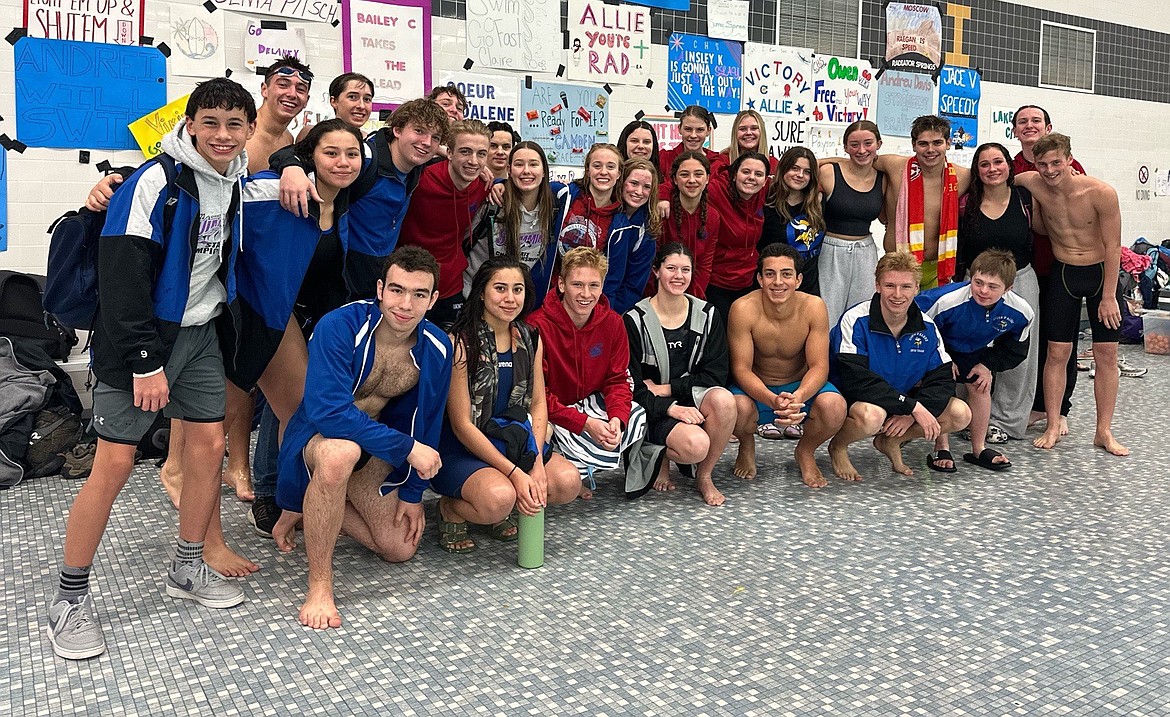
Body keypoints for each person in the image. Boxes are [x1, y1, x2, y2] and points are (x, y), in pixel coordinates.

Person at [46, 79, 257, 660]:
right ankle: (69, 598)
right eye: (209, 121)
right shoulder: (153, 181)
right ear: (188, 125)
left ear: (247, 131)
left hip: (198, 335)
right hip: (135, 343)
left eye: (234, 124)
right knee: (114, 463)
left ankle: (188, 566)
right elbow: (121, 279)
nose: (221, 134)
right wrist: (143, 362)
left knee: (208, 447)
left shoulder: (234, 180)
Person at [84, 56, 315, 507]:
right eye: (283, 83)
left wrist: (292, 161)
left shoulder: (294, 141)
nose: (291, 92)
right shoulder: (210, 146)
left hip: (243, 285)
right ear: (264, 89)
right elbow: (171, 179)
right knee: (207, 394)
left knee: (236, 383)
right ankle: (178, 469)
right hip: (199, 296)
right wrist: (105, 190)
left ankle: (236, 469)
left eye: (301, 87)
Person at [271, 247, 451, 629]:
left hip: (374, 448)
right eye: (398, 290)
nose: (406, 304)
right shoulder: (340, 325)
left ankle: (313, 507)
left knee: (399, 548)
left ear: (434, 299)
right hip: (319, 439)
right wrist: (408, 449)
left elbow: (429, 422)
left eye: (419, 294)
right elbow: (328, 413)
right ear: (380, 289)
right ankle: (320, 585)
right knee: (340, 454)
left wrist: (414, 493)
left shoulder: (437, 347)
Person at [233, 119, 362, 538]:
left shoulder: (341, 200)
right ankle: (279, 500)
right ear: (310, 157)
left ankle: (296, 499)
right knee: (295, 411)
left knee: (300, 412)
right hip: (264, 310)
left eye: (352, 154)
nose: (343, 163)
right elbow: (216, 203)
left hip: (310, 317)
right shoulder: (280, 191)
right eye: (331, 153)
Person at [432, 258, 580, 552]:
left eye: (518, 289)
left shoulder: (529, 337)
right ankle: (452, 507)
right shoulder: (460, 342)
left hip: (510, 438)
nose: (510, 298)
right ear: (482, 292)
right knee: (499, 499)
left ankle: (503, 498)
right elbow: (461, 425)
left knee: (566, 483)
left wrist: (535, 461)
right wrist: (515, 473)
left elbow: (538, 403)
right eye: (500, 288)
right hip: (465, 447)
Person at [1012, 134, 1127, 456]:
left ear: (1069, 160)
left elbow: (1114, 246)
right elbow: (998, 177)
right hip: (1064, 274)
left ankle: (1103, 431)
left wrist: (1108, 297)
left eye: (1056, 163)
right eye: (1043, 164)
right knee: (1058, 353)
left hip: (1100, 273)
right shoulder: (1032, 182)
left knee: (1106, 356)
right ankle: (1052, 424)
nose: (1049, 171)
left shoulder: (1100, 193)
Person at [273, 98, 449, 298]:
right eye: (419, 131)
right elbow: (294, 152)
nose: (426, 142)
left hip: (378, 274)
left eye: (435, 137)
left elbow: (461, 160)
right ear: (397, 130)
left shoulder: (416, 164)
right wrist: (291, 167)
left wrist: (491, 178)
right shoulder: (365, 157)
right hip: (341, 275)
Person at [828, 252, 971, 480]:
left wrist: (911, 412)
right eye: (889, 285)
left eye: (906, 287)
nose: (897, 295)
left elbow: (943, 380)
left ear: (916, 288)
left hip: (902, 402)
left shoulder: (927, 326)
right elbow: (856, 380)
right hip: (858, 400)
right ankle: (838, 446)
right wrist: (912, 407)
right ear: (877, 285)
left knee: (960, 414)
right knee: (871, 416)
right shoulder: (855, 320)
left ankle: (892, 440)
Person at [527, 247, 653, 498]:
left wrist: (616, 418)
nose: (586, 294)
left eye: (594, 285)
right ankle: (565, 465)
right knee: (537, 427)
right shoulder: (536, 326)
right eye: (577, 284)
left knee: (635, 413)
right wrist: (585, 424)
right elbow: (536, 397)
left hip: (587, 403)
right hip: (549, 410)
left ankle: (583, 467)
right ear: (561, 284)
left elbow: (618, 380)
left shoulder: (613, 323)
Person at [625, 243, 736, 505]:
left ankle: (705, 476)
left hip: (690, 397)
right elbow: (633, 385)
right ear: (656, 271)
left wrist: (670, 388)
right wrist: (669, 407)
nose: (678, 276)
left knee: (725, 401)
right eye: (671, 268)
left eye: (685, 270)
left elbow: (716, 375)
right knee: (695, 446)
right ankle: (660, 453)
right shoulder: (634, 320)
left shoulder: (707, 315)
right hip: (651, 407)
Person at [728, 244, 846, 488]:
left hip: (800, 388)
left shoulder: (814, 307)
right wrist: (772, 400)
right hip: (757, 390)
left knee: (835, 407)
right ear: (759, 278)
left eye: (786, 274)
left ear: (799, 279)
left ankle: (805, 451)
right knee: (734, 408)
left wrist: (798, 397)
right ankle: (746, 444)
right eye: (770, 274)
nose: (778, 282)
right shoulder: (743, 309)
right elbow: (741, 369)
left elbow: (819, 366)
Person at [915, 250, 1034, 471]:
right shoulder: (944, 300)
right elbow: (918, 330)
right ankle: (941, 446)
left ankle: (978, 448)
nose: (983, 291)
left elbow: (1015, 349)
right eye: (978, 283)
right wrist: (940, 361)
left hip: (974, 351)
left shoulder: (1021, 312)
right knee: (944, 381)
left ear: (1008, 289)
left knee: (980, 385)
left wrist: (988, 365)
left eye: (992, 286)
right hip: (938, 346)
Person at [1011, 105, 1086, 435]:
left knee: (1060, 341)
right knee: (1026, 339)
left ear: (1048, 127)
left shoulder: (1070, 167)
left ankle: (1057, 407)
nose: (1029, 126)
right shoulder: (1010, 166)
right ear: (1014, 130)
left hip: (1060, 266)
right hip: (1021, 268)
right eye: (1022, 122)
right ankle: (1026, 404)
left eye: (1035, 121)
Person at [957, 143, 1038, 442]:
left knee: (1018, 354)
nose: (992, 169)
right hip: (975, 286)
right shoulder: (966, 203)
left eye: (998, 162)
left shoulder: (1025, 199)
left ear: (1009, 165)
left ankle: (1005, 422)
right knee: (972, 349)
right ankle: (970, 418)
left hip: (1020, 281)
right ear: (976, 170)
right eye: (984, 164)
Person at [397, 119, 492, 328]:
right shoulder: (420, 179)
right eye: (465, 151)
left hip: (451, 286)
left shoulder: (484, 186)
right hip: (410, 282)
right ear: (449, 152)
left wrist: (500, 185)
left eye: (481, 154)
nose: (474, 161)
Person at [871, 116, 972, 289]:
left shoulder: (962, 176)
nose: (930, 149)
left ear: (948, 143)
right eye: (923, 143)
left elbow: (1001, 179)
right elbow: (858, 162)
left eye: (937, 143)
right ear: (913, 145)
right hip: (897, 265)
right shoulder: (895, 166)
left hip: (937, 268)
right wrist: (816, 164)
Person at [465, 141, 566, 303]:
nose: (526, 171)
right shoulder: (492, 203)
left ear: (544, 171)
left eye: (533, 164)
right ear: (509, 170)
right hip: (477, 300)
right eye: (519, 164)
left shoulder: (556, 207)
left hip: (520, 304)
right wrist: (498, 183)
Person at [817, 120, 886, 326]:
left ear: (879, 144)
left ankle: (855, 356)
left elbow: (885, 218)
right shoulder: (829, 171)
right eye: (854, 144)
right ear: (845, 146)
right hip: (830, 249)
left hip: (866, 251)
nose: (861, 150)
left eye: (868, 143)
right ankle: (824, 357)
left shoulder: (884, 178)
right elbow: (807, 163)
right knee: (827, 313)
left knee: (862, 312)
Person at [703, 151, 771, 324]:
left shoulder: (763, 194)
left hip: (748, 281)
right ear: (734, 174)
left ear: (765, 181)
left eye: (758, 174)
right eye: (746, 172)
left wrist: (820, 191)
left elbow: (799, 175)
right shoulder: (716, 190)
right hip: (717, 282)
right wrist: (664, 198)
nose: (751, 178)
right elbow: (681, 184)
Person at [759, 146, 825, 295]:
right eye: (794, 168)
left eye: (807, 171)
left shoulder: (818, 202)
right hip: (775, 288)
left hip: (808, 288)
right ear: (783, 169)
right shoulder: (767, 202)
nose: (800, 175)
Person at [660, 151, 720, 299]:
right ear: (674, 179)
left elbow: (705, 265)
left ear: (707, 179)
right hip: (660, 293)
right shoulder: (663, 212)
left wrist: (693, 300)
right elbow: (652, 260)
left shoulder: (712, 217)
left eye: (698, 174)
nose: (692, 180)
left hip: (694, 295)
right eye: (684, 174)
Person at [606, 157, 662, 313]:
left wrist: (612, 315)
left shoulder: (647, 229)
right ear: (621, 181)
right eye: (634, 183)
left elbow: (634, 285)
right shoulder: (605, 212)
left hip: (615, 308)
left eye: (646, 187)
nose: (639, 192)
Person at [296, 72, 374, 140]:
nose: (361, 106)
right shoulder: (311, 133)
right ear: (334, 101)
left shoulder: (373, 142)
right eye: (352, 97)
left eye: (367, 99)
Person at [657, 106, 727, 178]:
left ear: (708, 131)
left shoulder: (718, 164)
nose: (693, 135)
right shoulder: (663, 159)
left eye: (700, 130)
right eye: (688, 129)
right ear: (679, 129)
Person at [721, 109, 778, 174]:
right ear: (735, 133)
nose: (748, 133)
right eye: (742, 129)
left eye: (754, 128)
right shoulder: (722, 162)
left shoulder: (774, 164)